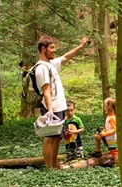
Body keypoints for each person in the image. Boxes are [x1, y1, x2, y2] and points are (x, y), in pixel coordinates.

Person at [35, 36, 89, 168]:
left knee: (58, 137)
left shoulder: (51, 64)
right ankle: (50, 167)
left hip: (59, 107)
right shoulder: (41, 68)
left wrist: (80, 46)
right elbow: (46, 91)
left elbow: (65, 57)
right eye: (52, 48)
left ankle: (54, 164)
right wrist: (50, 110)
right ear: (43, 49)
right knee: (49, 138)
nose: (54, 50)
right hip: (51, 107)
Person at [89, 98, 118, 165]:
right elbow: (109, 128)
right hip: (109, 138)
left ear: (109, 107)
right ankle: (97, 152)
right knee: (113, 152)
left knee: (115, 153)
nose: (104, 107)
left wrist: (105, 133)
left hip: (113, 139)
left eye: (105, 106)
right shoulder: (109, 117)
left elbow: (114, 129)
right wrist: (103, 131)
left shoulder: (112, 118)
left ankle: (117, 166)